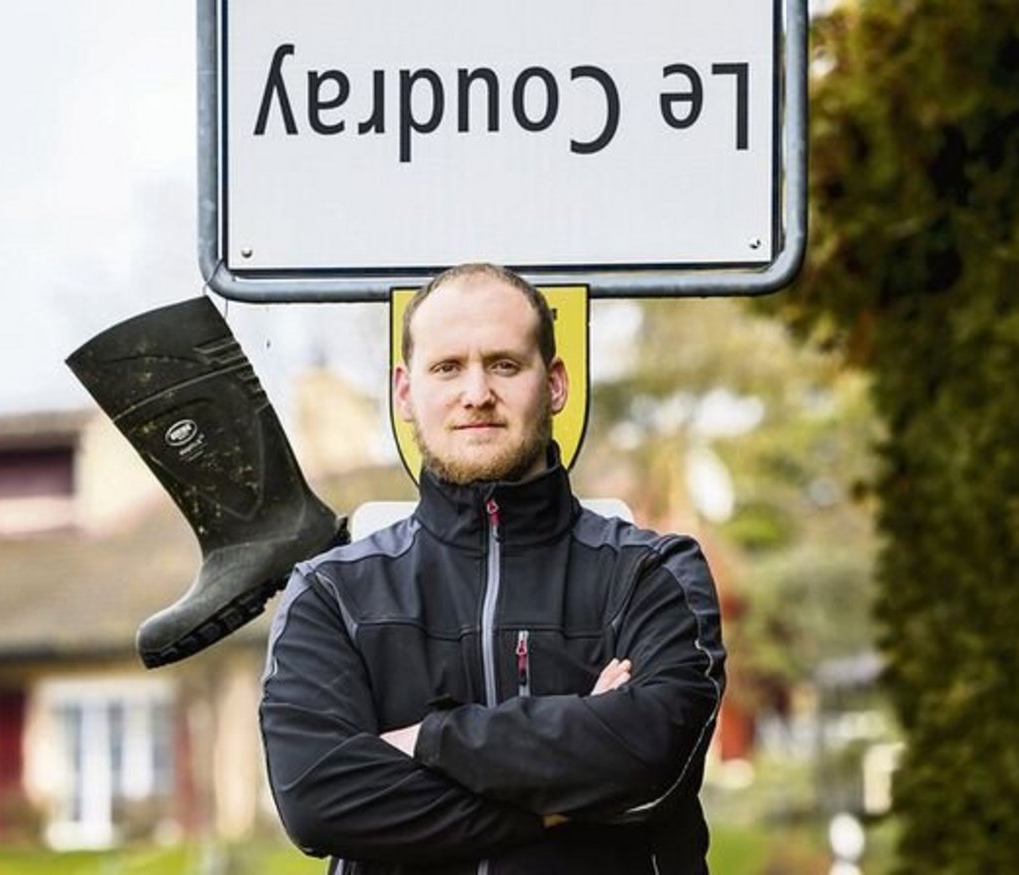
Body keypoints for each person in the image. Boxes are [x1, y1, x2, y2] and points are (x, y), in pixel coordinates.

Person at [259, 263, 726, 874]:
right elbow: (319, 801)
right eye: (447, 368)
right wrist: (560, 800)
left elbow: (654, 757)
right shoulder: (331, 594)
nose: (476, 393)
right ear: (404, 392)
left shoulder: (652, 574)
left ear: (554, 384)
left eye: (504, 365)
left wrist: (427, 739)